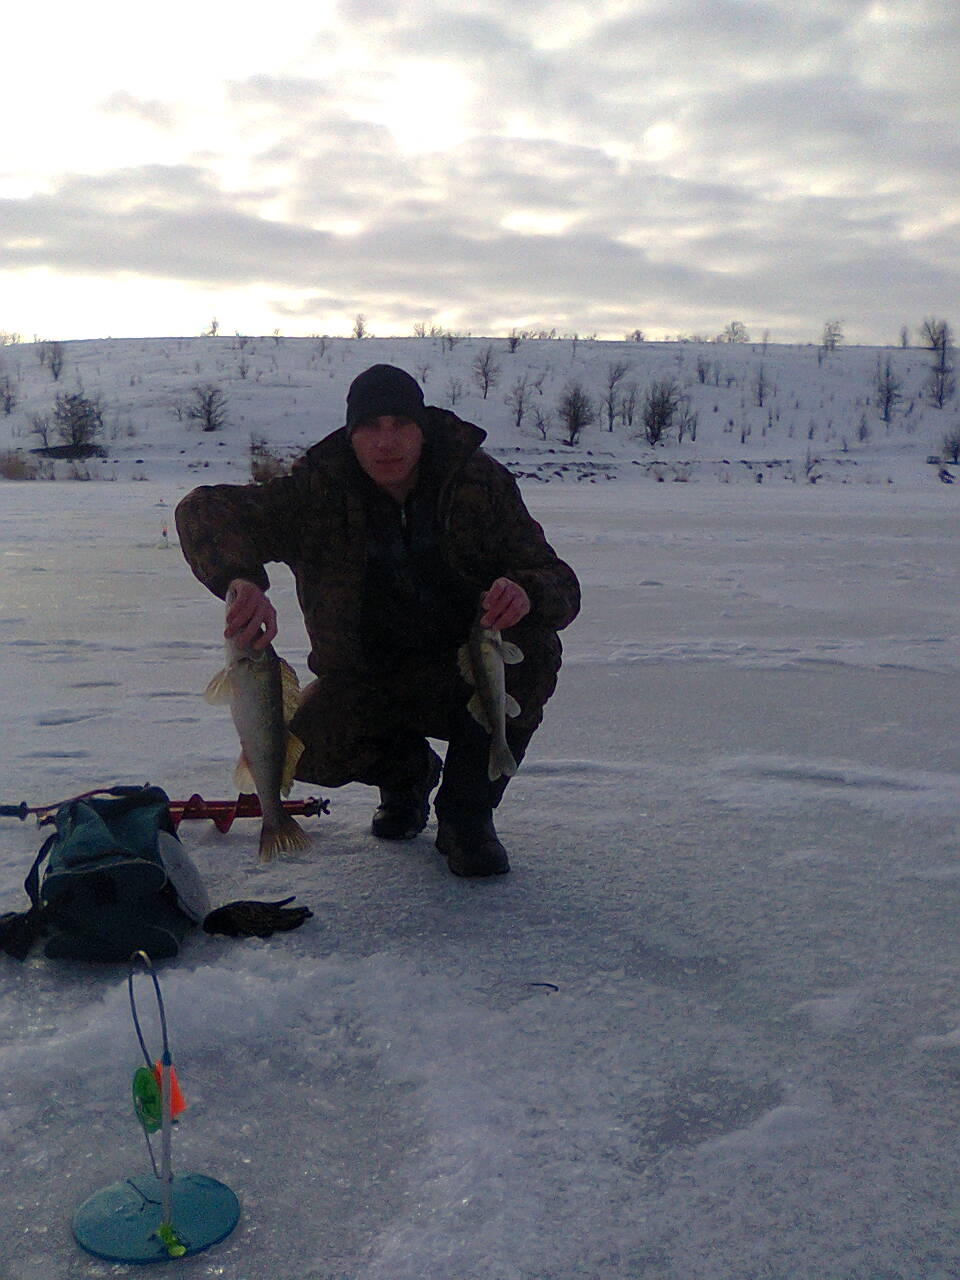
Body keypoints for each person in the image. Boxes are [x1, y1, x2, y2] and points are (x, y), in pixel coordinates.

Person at [175, 363, 580, 876]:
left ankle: (466, 815)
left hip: (464, 673)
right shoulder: (317, 493)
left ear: (422, 427)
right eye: (369, 427)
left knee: (532, 653)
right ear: (351, 434)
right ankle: (408, 776)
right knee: (305, 750)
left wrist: (525, 590)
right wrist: (240, 579)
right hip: (367, 679)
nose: (386, 441)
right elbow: (203, 511)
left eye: (400, 424)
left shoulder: (477, 483)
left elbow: (558, 580)